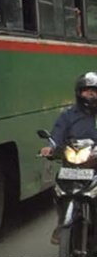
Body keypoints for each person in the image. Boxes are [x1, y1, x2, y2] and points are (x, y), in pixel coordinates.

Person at [40, 71, 97, 244]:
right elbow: (57, 134)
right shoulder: (68, 115)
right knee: (59, 188)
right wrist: (50, 148)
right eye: (87, 90)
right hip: (72, 165)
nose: (91, 94)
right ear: (79, 93)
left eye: (94, 91)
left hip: (94, 164)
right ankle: (62, 221)